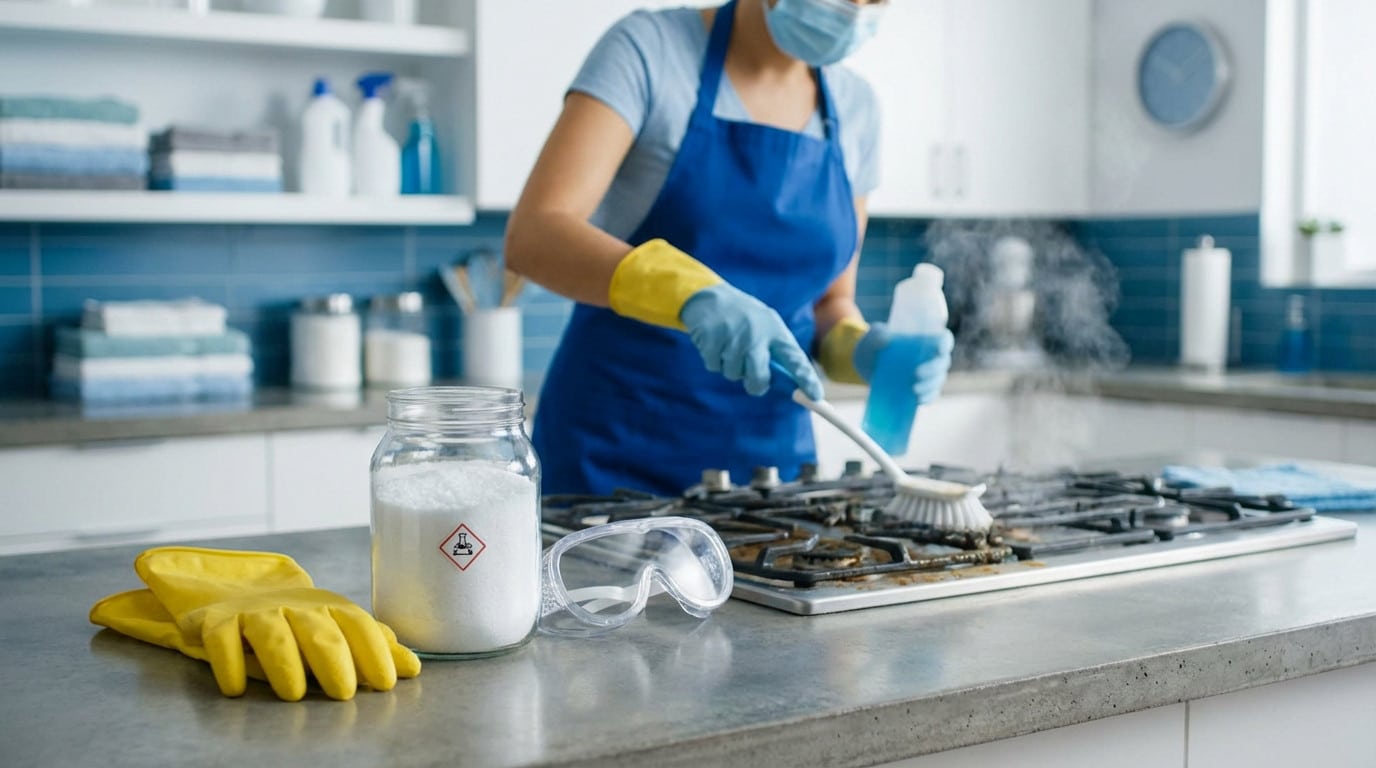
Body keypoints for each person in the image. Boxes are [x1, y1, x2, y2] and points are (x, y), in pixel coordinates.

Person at [505, 0, 954, 496]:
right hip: (614, 459)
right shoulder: (650, 50)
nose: (853, 10)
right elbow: (536, 234)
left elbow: (829, 303)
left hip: (771, 481)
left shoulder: (856, 109)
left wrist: (866, 351)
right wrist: (692, 293)